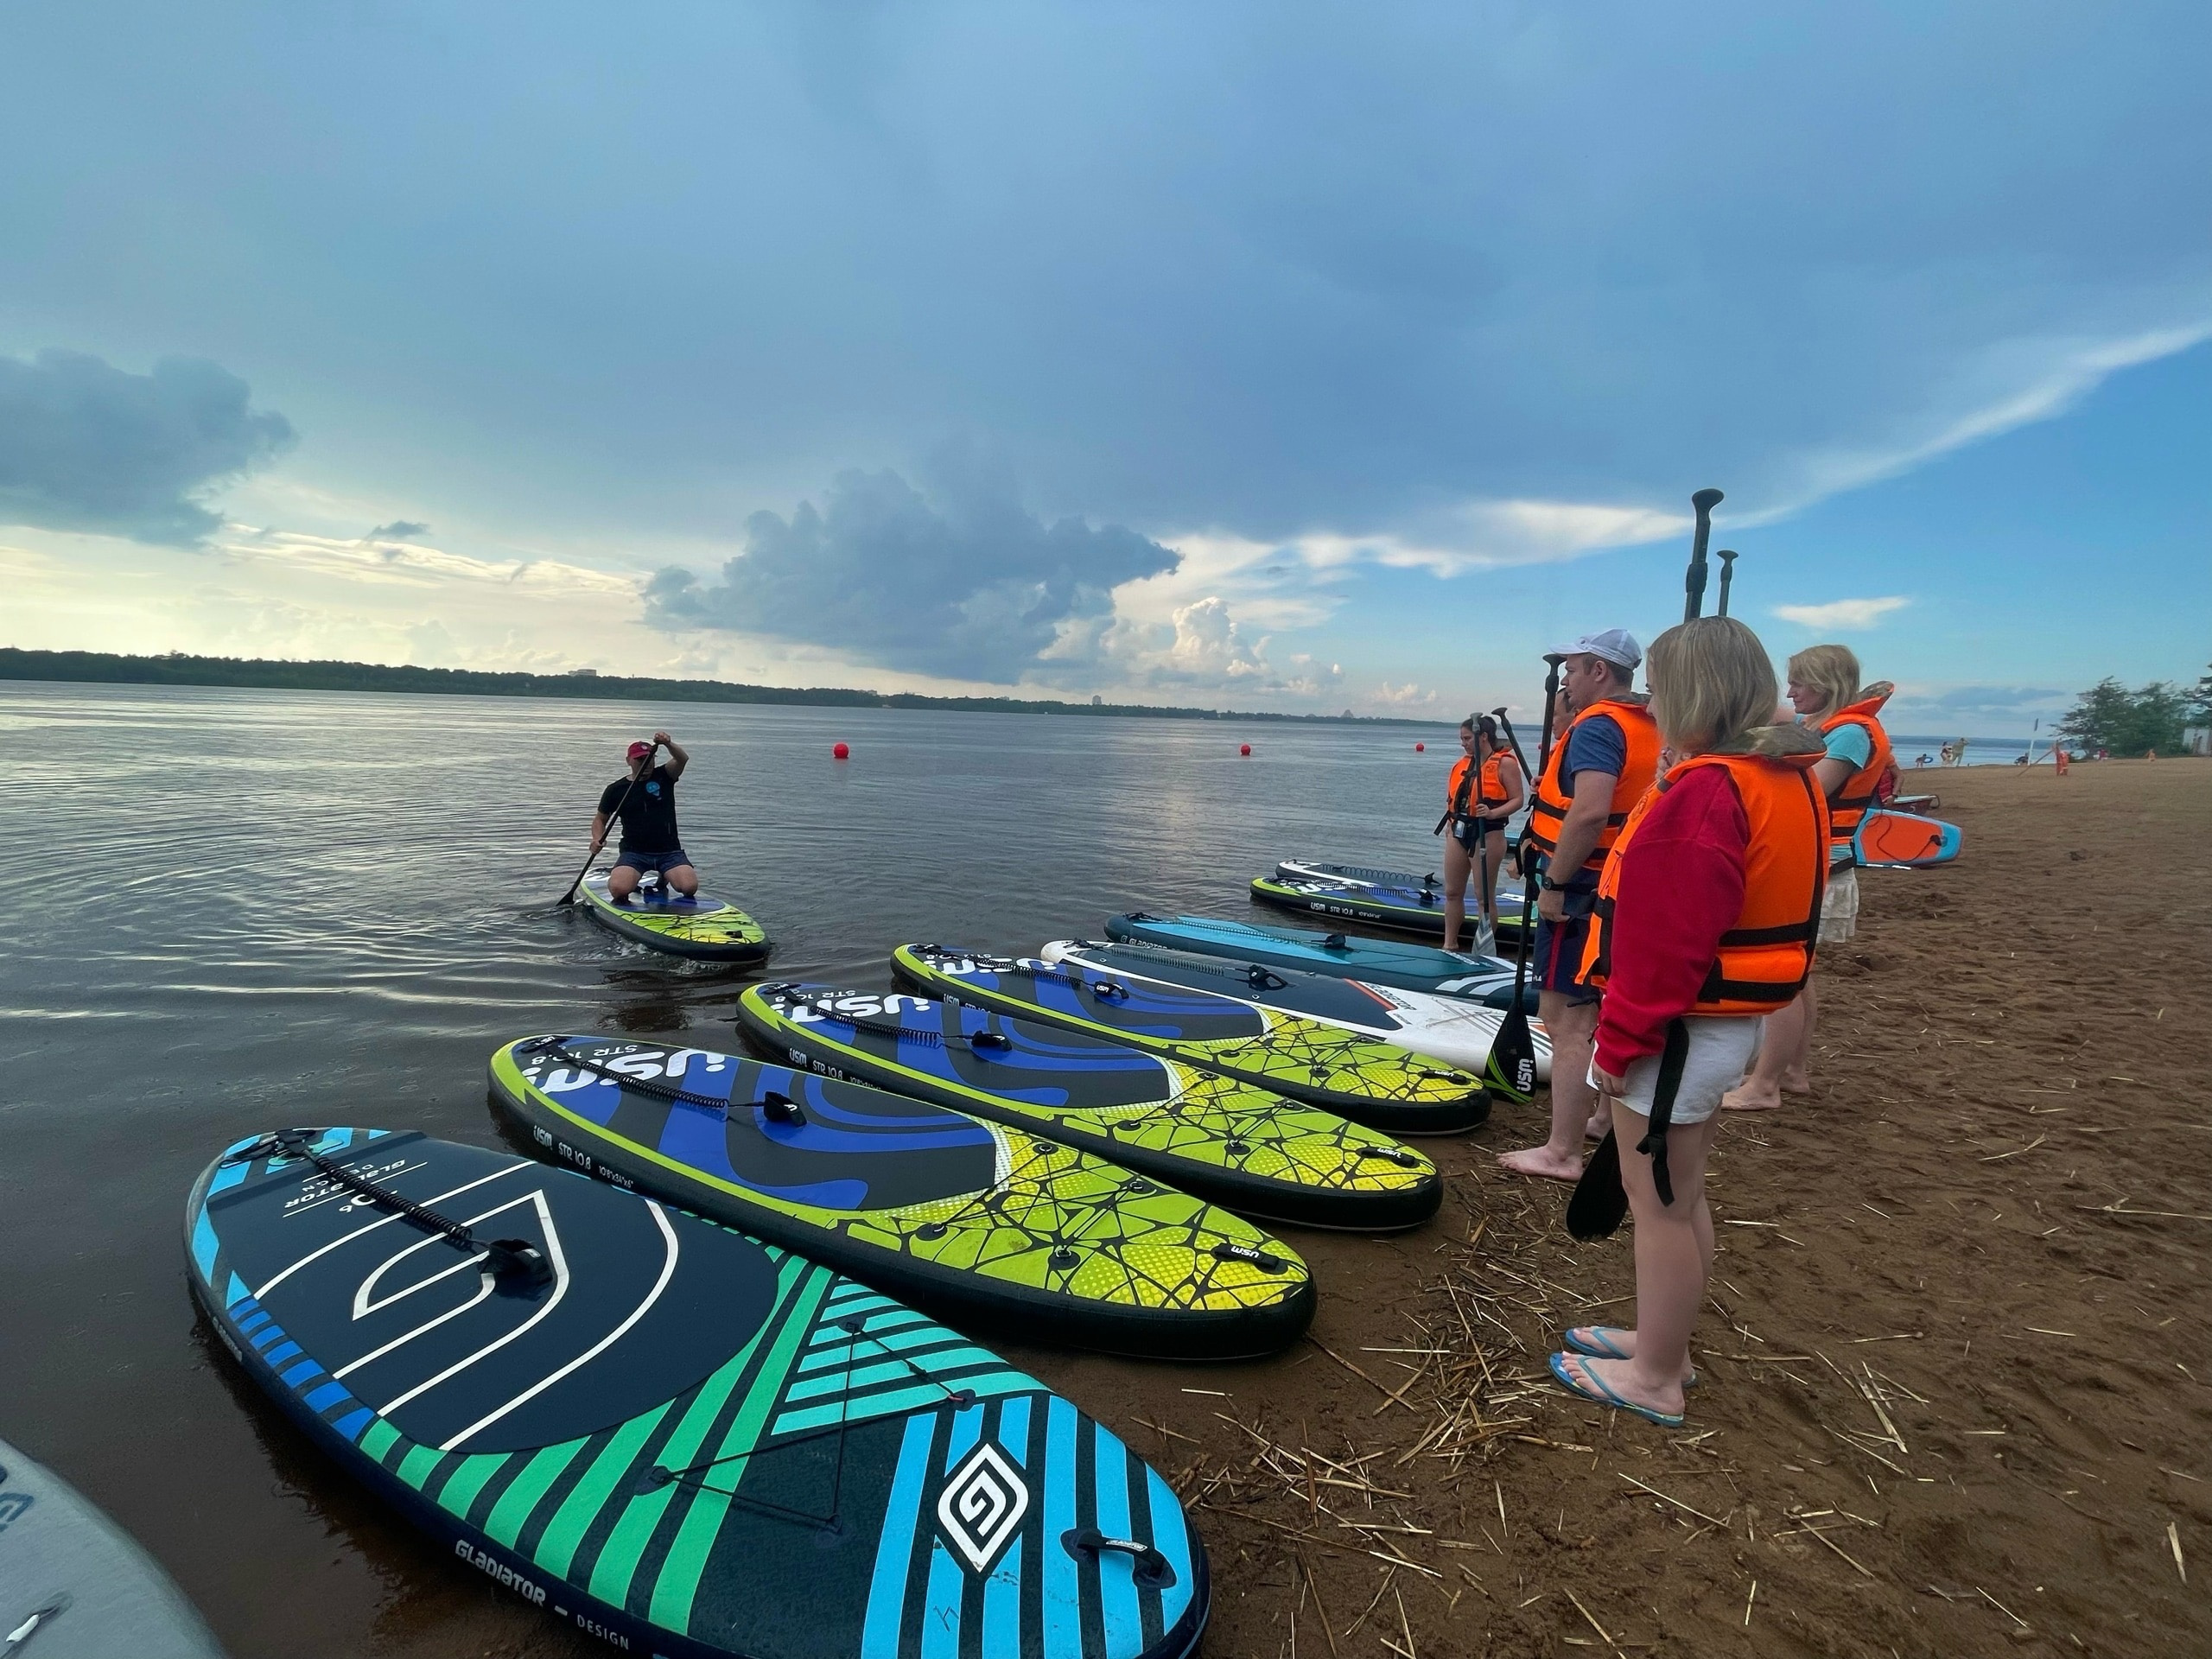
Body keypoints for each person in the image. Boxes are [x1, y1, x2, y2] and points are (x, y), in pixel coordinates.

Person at [1547, 616, 1829, 1426]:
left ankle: (1658, 1377)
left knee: (1659, 1200)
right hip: (1712, 1029)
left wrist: (1617, 1048)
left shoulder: (1712, 793)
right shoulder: (1776, 774)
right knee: (1681, 1191)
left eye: (1663, 690)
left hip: (1675, 1034)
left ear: (1690, 695)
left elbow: (1667, 945)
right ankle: (1662, 1342)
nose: (1653, 704)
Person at [1498, 629, 1661, 1181]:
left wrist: (1555, 883)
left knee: (1566, 1018)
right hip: (1623, 886)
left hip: (1582, 891)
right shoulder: (1647, 724)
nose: (1564, 678)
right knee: (1602, 1005)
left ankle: (1561, 1151)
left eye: (1572, 668)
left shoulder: (1598, 729)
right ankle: (1601, 1119)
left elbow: (1589, 813)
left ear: (1598, 670)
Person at [1721, 646, 1891, 1111]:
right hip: (1815, 866)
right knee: (1799, 975)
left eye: (1800, 682)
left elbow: (1810, 788)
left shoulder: (1851, 734)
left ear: (1828, 684)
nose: (1791, 690)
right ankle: (1791, 1072)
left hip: (1821, 870)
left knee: (1784, 973)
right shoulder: (1821, 728)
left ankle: (1765, 1084)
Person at [1440, 714, 1525, 951]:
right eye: (1461, 739)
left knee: (1483, 897)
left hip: (1487, 832)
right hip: (1458, 830)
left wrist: (1492, 813)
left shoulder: (1504, 763)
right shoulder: (1463, 764)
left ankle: (1483, 948)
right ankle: (1449, 944)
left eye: (1467, 738)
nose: (1463, 743)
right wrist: (1450, 825)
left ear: (1483, 736)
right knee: (1452, 891)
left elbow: (1518, 799)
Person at [589, 730, 697, 902]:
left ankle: (665, 876)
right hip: (634, 852)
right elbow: (600, 819)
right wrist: (596, 839)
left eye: (650, 759)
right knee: (619, 890)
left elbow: (682, 759)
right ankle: (626, 874)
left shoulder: (665, 776)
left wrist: (668, 743)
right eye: (640, 760)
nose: (646, 764)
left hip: (669, 851)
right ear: (628, 761)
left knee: (688, 888)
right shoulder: (616, 790)